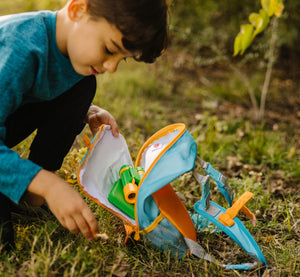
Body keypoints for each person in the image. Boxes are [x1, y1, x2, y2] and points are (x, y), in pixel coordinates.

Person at [0, 0, 168, 251]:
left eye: (121, 60)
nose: (111, 67)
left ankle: (28, 198)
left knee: (82, 86)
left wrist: (84, 110)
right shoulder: (20, 47)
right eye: (109, 49)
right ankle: (28, 186)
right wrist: (48, 184)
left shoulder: (69, 57)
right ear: (78, 9)